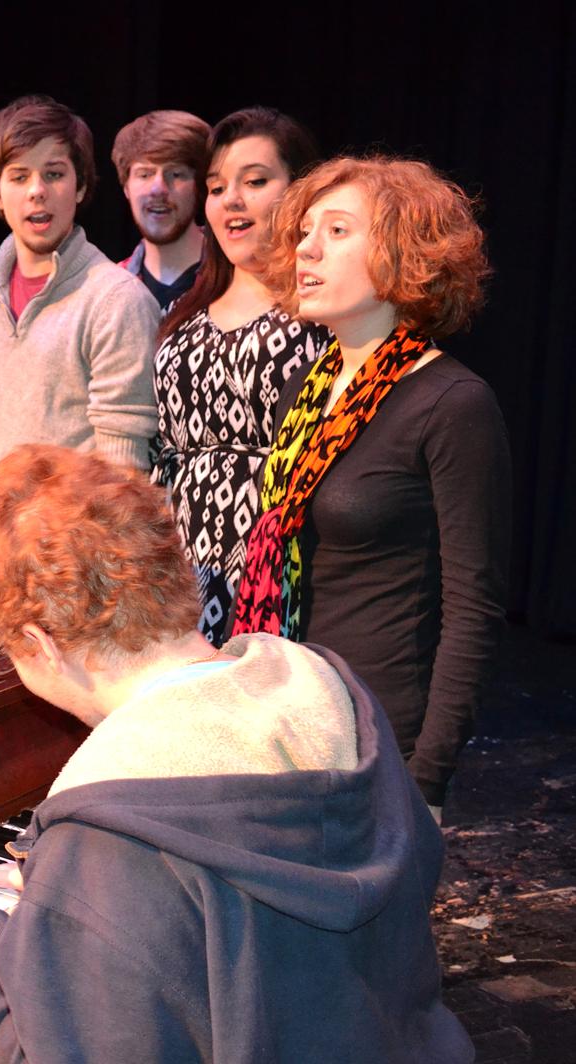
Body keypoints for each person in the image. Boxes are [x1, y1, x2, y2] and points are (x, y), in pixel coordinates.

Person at [0, 445, 472, 1064]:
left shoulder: (117, 828)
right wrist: (100, 906)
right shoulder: (329, 689)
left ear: (40, 642)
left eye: (8, 656)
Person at [232, 156, 510, 816]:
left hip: (380, 738)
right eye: (304, 232)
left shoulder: (453, 403)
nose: (306, 247)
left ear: (402, 254)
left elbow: (474, 607)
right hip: (292, 715)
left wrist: (427, 778)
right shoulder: (308, 391)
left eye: (336, 231)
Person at [151, 108, 330, 645]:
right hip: (180, 566)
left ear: (299, 192)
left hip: (279, 563)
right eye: (216, 186)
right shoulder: (184, 311)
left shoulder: (322, 313)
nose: (231, 199)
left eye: (254, 181)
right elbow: (162, 452)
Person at [0, 95, 159, 469]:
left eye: (54, 174)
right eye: (19, 176)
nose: (37, 190)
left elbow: (124, 473)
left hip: (78, 526)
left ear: (80, 187)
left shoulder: (117, 300)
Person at [110, 109, 210, 312]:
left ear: (199, 186)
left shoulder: (236, 276)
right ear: (126, 187)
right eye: (145, 174)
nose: (158, 189)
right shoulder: (108, 290)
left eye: (176, 173)